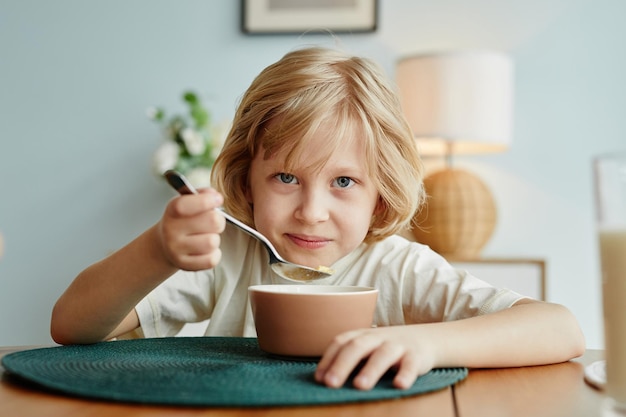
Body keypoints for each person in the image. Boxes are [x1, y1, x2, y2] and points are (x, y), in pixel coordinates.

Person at [51, 46, 585, 391]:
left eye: (344, 182)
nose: (311, 211)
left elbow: (560, 328)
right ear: (246, 179)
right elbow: (70, 327)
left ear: (380, 194)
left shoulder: (397, 268)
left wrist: (426, 343)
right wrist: (157, 252)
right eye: (286, 178)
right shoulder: (230, 254)